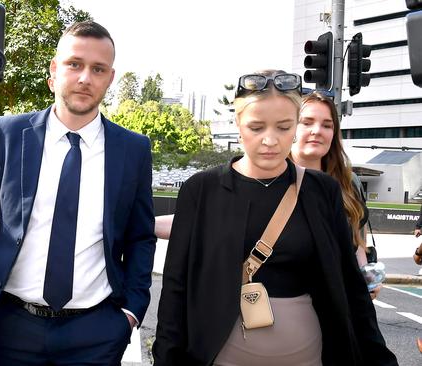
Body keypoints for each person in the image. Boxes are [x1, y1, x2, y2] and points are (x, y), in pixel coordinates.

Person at [0, 21, 156, 366]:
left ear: (110, 79)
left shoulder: (134, 149)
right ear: (54, 70)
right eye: (74, 64)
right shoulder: (8, 134)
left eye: (98, 69)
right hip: (11, 327)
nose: (85, 78)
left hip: (97, 332)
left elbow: (141, 236)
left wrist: (131, 312)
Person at [152, 70, 397, 365]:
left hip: (309, 356)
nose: (270, 140)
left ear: (295, 126)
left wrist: (380, 358)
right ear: (238, 124)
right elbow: (176, 288)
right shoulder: (202, 189)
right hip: (218, 356)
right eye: (257, 127)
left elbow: (350, 286)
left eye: (283, 127)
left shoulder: (322, 191)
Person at [290, 91, 380, 299]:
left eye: (327, 125)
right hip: (290, 302)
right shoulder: (272, 179)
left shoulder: (349, 182)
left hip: (340, 300)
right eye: (307, 122)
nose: (317, 131)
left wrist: (366, 278)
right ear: (290, 127)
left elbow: (356, 242)